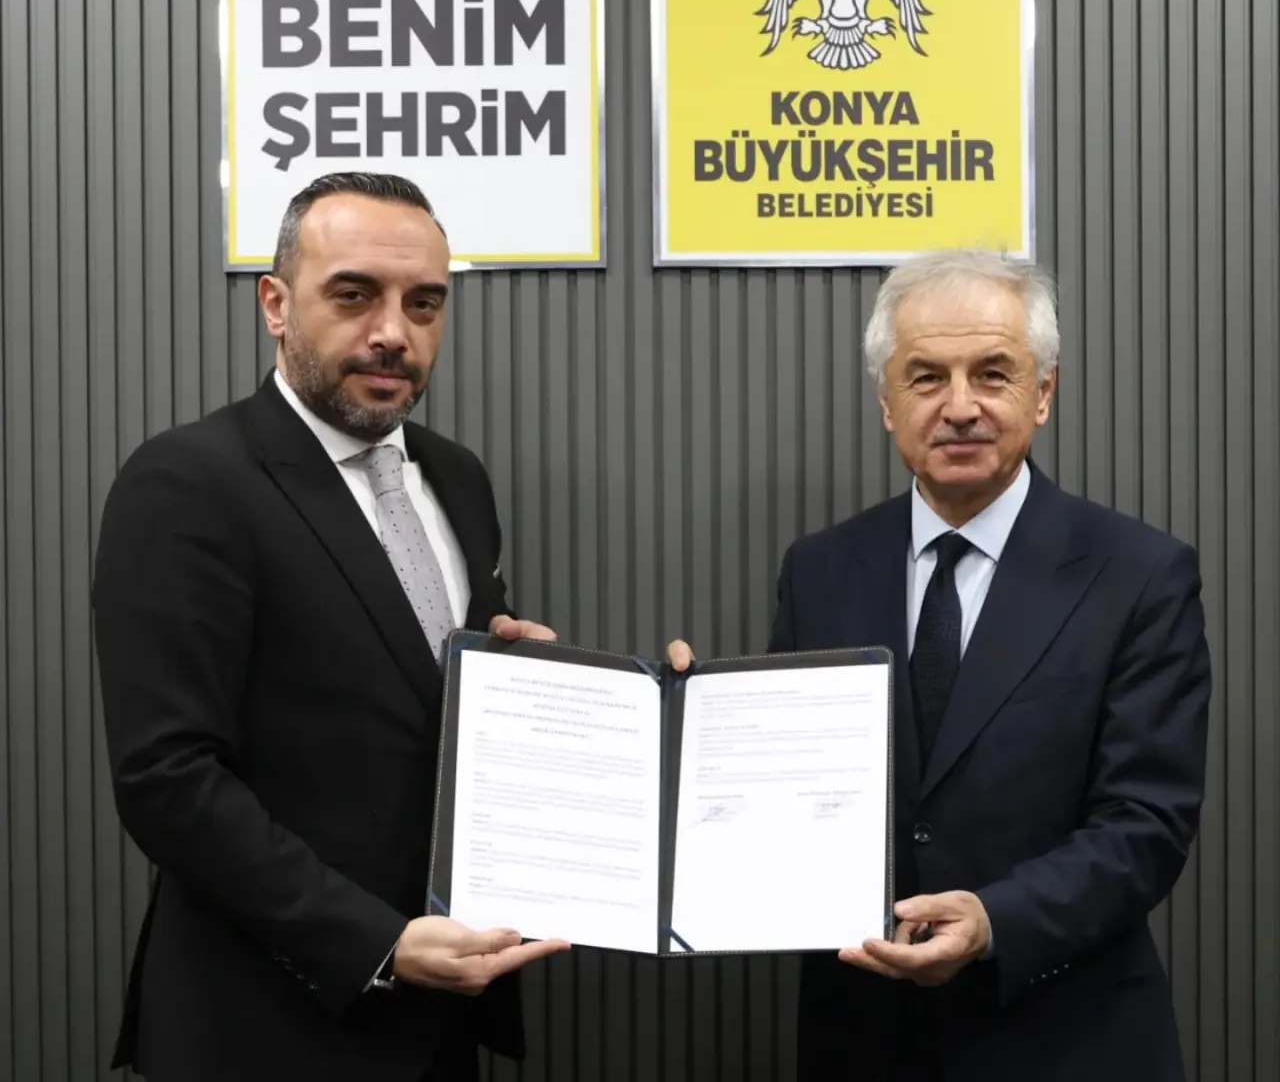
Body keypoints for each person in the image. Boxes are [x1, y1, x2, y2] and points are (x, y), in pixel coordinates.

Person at [668, 249, 1211, 1082]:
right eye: (926, 378)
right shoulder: (820, 569)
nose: (960, 407)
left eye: (992, 374)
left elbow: (1147, 823)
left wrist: (993, 921)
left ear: (1043, 391)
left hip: (1067, 1039)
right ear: (887, 401)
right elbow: (787, 792)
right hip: (863, 1038)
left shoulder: (1140, 574)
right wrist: (694, 726)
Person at [92, 172, 569, 1082]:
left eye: (424, 303)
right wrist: (378, 944)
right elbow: (167, 778)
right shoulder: (187, 483)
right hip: (263, 1027)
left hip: (439, 1020)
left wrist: (517, 685)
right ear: (275, 304)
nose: (394, 331)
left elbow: (411, 700)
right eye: (354, 295)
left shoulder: (456, 478)